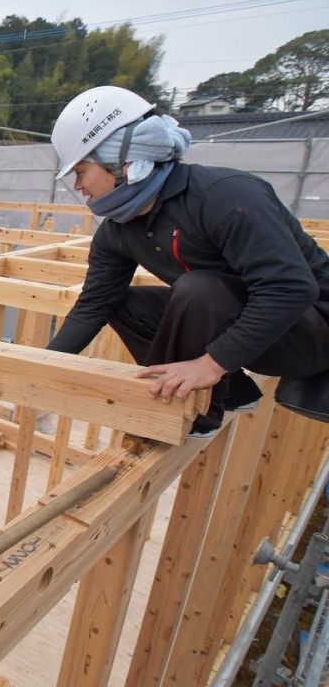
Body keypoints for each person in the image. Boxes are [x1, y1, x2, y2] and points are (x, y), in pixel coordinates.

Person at [46, 85, 329, 434]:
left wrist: (211, 365)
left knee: (198, 289)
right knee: (122, 303)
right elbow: (93, 306)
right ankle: (227, 393)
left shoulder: (225, 196)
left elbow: (291, 289)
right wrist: (42, 363)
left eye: (81, 171)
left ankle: (188, 414)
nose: (79, 186)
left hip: (308, 333)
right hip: (248, 331)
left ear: (122, 160)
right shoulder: (119, 230)